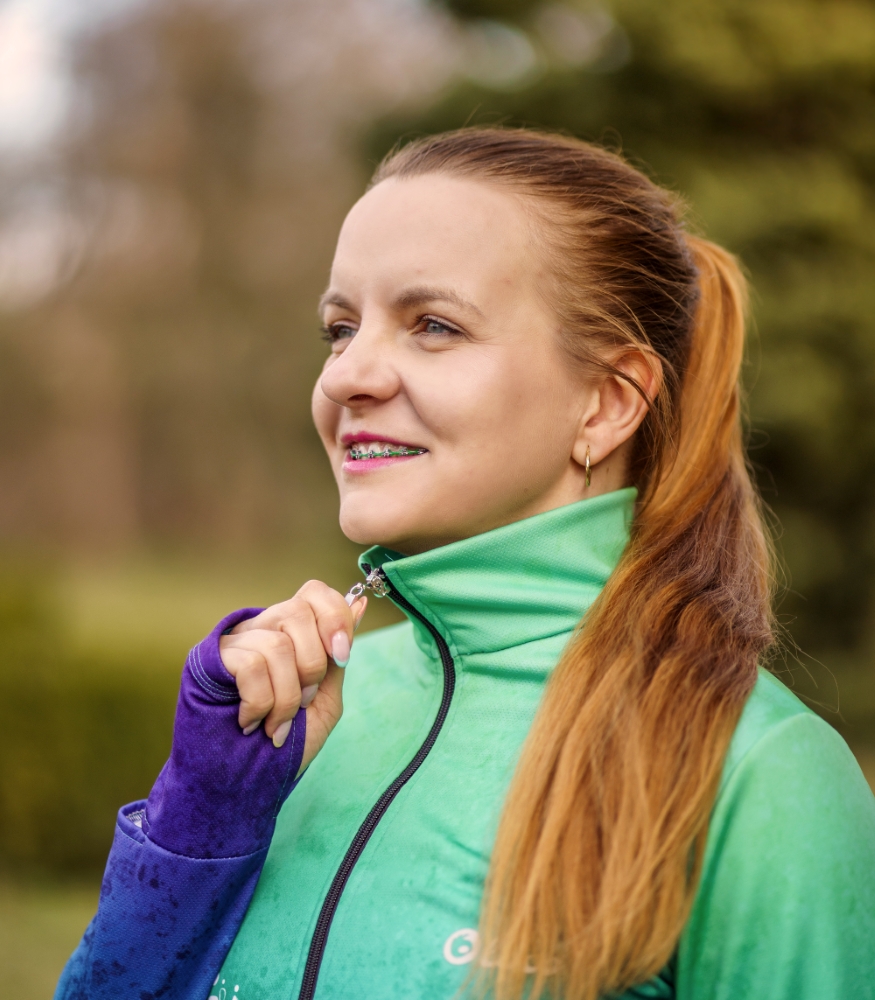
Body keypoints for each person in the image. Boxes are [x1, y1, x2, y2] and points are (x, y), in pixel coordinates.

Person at [56, 128, 875, 1000]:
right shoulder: (309, 717)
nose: (346, 376)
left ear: (605, 403)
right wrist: (199, 824)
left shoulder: (764, 775)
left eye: (434, 326)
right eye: (340, 329)